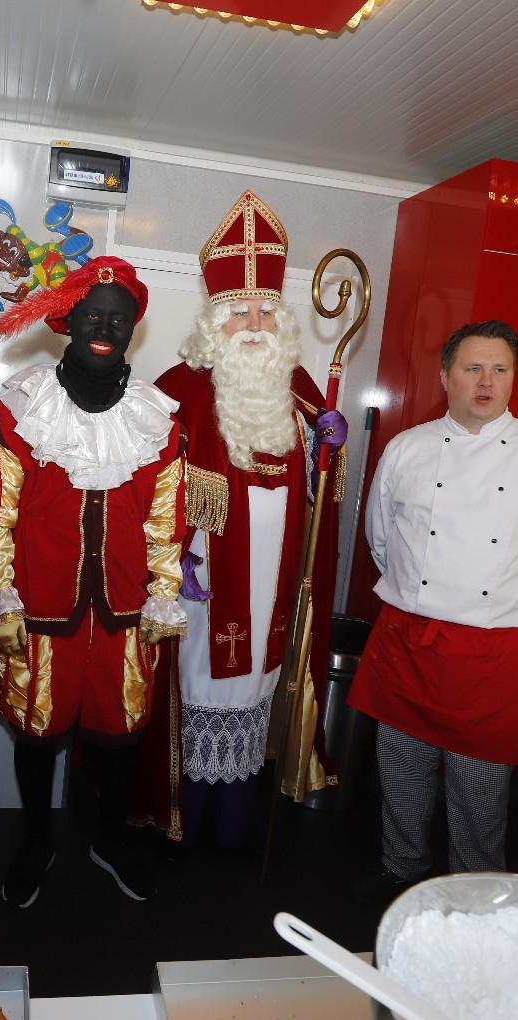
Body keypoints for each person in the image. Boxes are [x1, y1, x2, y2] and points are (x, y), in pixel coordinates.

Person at [347, 318, 518, 898]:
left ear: (513, 378)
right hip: (407, 638)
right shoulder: (407, 449)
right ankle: (402, 865)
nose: (486, 381)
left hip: (488, 648)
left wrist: (508, 598)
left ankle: (476, 890)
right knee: (400, 771)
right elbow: (382, 539)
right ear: (445, 376)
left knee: (479, 787)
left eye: (500, 369)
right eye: (472, 368)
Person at [132, 190, 346, 849]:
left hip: (274, 582)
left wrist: (329, 448)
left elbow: (321, 494)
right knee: (200, 689)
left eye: (264, 310)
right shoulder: (177, 389)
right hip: (203, 585)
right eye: (238, 311)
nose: (253, 323)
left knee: (257, 689)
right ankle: (182, 818)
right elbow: (144, 490)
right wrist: (174, 560)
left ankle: (234, 826)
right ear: (214, 320)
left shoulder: (302, 390)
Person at [0, 257, 187, 907]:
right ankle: (37, 839)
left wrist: (163, 592)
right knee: (39, 733)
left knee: (121, 733)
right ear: (68, 321)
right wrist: (1, 596)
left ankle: (111, 839)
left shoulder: (158, 418)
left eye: (118, 319)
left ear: (133, 329)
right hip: (40, 606)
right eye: (93, 315)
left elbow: (166, 518)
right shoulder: (22, 407)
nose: (105, 328)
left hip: (126, 608)